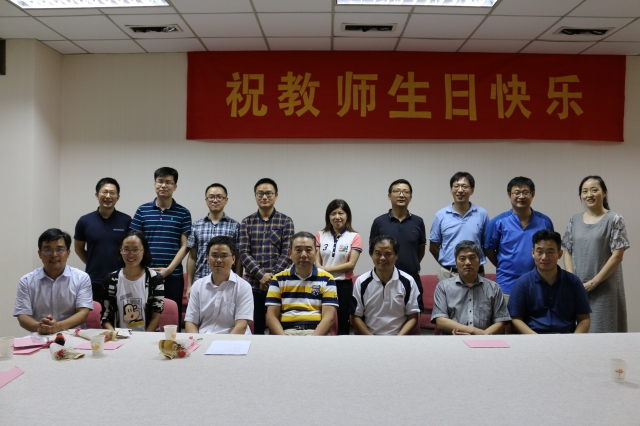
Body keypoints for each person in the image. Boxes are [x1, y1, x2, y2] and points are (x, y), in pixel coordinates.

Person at [562, 175, 630, 333]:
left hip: (604, 288)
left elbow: (617, 256)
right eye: (584, 191)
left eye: (594, 190)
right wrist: (573, 281)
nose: (589, 195)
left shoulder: (614, 219)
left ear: (604, 193)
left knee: (603, 333)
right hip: (578, 289)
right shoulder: (574, 220)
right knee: (578, 334)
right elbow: (567, 250)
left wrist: (593, 283)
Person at [130, 167, 191, 327]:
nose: (164, 185)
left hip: (173, 276)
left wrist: (168, 270)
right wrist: (143, 269)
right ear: (155, 184)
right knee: (141, 318)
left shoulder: (183, 213)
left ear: (175, 186)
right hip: (144, 274)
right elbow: (134, 243)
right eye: (160, 181)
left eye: (168, 182)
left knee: (171, 320)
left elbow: (185, 246)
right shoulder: (142, 210)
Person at [239, 178, 295, 335]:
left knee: (277, 329)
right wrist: (261, 275)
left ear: (276, 195)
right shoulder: (246, 222)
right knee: (255, 329)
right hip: (253, 286)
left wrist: (271, 277)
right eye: (260, 193)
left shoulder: (286, 221)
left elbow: (288, 253)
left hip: (279, 285)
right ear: (255, 196)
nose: (264, 197)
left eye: (269, 193)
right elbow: (243, 252)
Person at [484, 176, 553, 301]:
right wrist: (503, 265)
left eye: (525, 192)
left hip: (538, 285)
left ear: (533, 194)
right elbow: (488, 250)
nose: (521, 196)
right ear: (509, 195)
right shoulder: (497, 222)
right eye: (517, 192)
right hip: (506, 286)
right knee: (506, 314)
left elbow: (550, 250)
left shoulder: (545, 222)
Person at [509, 230, 591, 334]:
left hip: (566, 338)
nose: (544, 257)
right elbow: (515, 319)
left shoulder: (574, 282)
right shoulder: (522, 284)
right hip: (534, 338)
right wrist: (537, 339)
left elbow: (584, 319)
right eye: (539, 252)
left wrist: (573, 340)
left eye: (550, 252)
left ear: (559, 254)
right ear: (533, 253)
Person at [14, 228, 93, 335]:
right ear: (39, 253)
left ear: (68, 253)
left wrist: (57, 327)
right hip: (40, 336)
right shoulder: (27, 281)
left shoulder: (81, 278)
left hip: (73, 336)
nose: (54, 254)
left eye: (60, 249)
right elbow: (23, 316)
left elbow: (83, 313)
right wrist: (40, 327)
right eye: (48, 250)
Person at [265, 232, 337, 336]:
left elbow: (328, 318)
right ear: (290, 253)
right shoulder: (278, 279)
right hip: (286, 333)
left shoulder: (327, 279)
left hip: (316, 333)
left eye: (308, 250)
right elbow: (271, 317)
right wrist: (284, 340)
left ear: (316, 252)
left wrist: (311, 341)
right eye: (298, 250)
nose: (303, 255)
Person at [431, 241, 510, 335]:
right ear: (456, 263)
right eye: (462, 258)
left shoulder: (494, 288)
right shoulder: (443, 287)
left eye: (472, 258)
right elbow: (441, 321)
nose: (468, 262)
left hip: (485, 341)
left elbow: (500, 322)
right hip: (453, 339)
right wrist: (474, 332)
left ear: (480, 262)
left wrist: (480, 337)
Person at [370, 179, 426, 309]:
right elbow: (373, 251)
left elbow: (420, 250)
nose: (401, 195)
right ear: (389, 196)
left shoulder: (418, 222)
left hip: (412, 277)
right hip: (385, 279)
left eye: (405, 192)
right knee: (384, 314)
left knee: (414, 314)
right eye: (397, 191)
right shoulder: (379, 222)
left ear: (410, 197)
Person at [74, 177, 131, 302]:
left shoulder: (126, 220)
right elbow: (78, 248)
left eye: (112, 193)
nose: (108, 196)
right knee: (95, 312)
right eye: (104, 192)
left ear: (118, 197)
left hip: (121, 278)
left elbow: (130, 249)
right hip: (93, 279)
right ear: (97, 195)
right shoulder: (84, 221)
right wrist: (92, 262)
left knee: (121, 312)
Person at [351, 235, 420, 335]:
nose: (382, 258)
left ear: (396, 255)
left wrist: (398, 339)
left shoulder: (408, 281)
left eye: (388, 254)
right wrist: (372, 339)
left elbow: (413, 317)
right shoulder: (361, 282)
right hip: (370, 338)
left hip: (399, 338)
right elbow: (356, 317)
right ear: (371, 255)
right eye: (378, 253)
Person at [185, 236, 253, 334]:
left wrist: (222, 343)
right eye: (214, 255)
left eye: (224, 256)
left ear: (233, 259)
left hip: (233, 340)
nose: (219, 260)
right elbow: (191, 321)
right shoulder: (197, 286)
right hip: (204, 338)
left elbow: (241, 326)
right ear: (208, 258)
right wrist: (195, 341)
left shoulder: (243, 287)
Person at [429, 172, 489, 283]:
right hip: (449, 274)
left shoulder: (482, 214)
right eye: (456, 186)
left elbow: (487, 245)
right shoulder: (440, 215)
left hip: (475, 273)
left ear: (472, 190)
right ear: (451, 190)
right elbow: (433, 247)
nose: (460, 190)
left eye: (464, 186)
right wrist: (447, 263)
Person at [101, 230, 164, 332]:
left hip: (147, 336)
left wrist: (144, 338)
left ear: (144, 251)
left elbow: (156, 315)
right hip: (119, 337)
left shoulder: (155, 279)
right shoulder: (110, 280)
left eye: (135, 250)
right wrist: (114, 334)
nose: (130, 255)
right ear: (120, 251)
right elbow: (105, 316)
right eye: (126, 249)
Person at [315, 199, 362, 335]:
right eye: (333, 213)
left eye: (341, 213)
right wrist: (322, 270)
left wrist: (324, 269)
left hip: (343, 285)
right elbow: (316, 263)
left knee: (343, 320)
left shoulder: (354, 236)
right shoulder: (320, 235)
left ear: (347, 216)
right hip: (322, 283)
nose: (337, 217)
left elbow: (351, 264)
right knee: (321, 318)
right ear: (328, 216)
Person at [186, 183, 241, 299]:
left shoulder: (235, 226)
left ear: (226, 200)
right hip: (200, 282)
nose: (215, 200)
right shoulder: (196, 226)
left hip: (226, 284)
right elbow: (192, 257)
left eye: (219, 197)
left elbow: (237, 257)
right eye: (211, 197)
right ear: (206, 200)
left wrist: (238, 281)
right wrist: (190, 285)